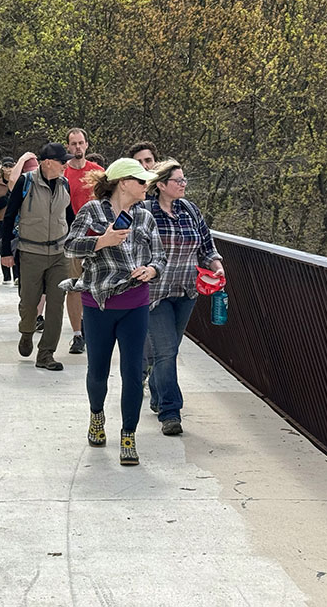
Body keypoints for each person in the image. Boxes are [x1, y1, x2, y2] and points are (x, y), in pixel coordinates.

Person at [63, 158, 165, 466]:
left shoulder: (145, 217)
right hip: (99, 304)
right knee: (98, 371)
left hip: (135, 302)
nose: (147, 187)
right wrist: (101, 241)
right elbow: (70, 246)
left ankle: (128, 435)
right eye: (141, 181)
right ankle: (97, 415)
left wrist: (152, 269)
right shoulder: (92, 211)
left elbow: (159, 255)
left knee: (133, 373)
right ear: (123, 182)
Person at [144, 159, 224, 436]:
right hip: (155, 294)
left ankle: (157, 393)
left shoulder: (190, 210)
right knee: (166, 351)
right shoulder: (145, 212)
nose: (183, 184)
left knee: (169, 351)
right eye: (178, 181)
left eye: (184, 180)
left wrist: (216, 265)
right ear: (161, 185)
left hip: (186, 291)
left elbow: (206, 246)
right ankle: (170, 412)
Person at [0, 142, 75, 371]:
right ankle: (26, 331)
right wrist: (5, 252)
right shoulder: (26, 182)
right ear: (48, 162)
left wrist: (77, 243)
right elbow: (10, 215)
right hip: (31, 252)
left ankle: (46, 354)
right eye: (62, 161)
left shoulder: (65, 183)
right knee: (29, 302)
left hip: (60, 254)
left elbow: (70, 217)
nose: (66, 164)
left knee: (56, 305)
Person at [63, 128, 103, 354]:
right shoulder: (63, 174)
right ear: (68, 146)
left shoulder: (97, 172)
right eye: (73, 143)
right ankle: (77, 335)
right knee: (75, 286)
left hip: (97, 238)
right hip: (73, 238)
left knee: (97, 286)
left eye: (81, 143)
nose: (77, 147)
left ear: (87, 145)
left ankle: (94, 329)